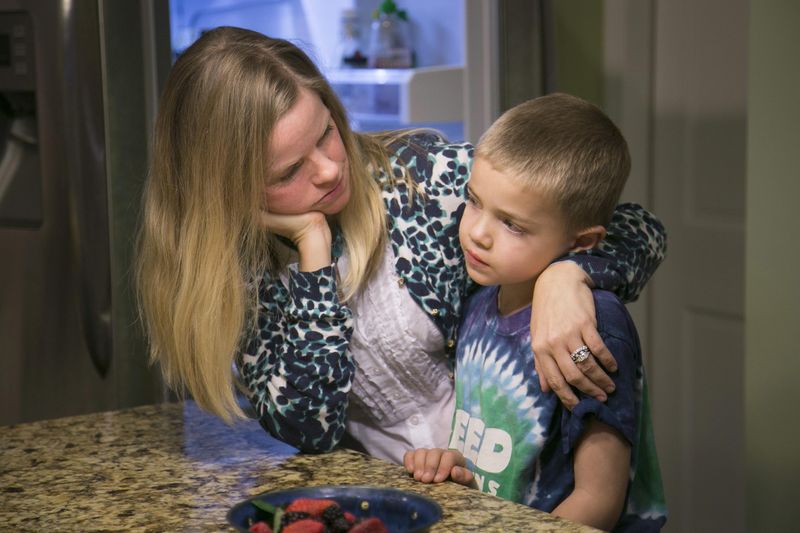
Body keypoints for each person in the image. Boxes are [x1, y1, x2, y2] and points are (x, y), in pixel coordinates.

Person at [135, 27, 666, 465]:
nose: (328, 169)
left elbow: (641, 229)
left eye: (324, 133)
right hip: (392, 504)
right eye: (290, 170)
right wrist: (313, 251)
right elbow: (309, 427)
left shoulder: (417, 178)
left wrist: (566, 274)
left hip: (520, 490)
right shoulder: (240, 280)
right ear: (225, 192)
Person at [403, 93, 667, 531]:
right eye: (474, 200)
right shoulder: (480, 301)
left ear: (582, 242)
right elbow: (504, 464)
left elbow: (599, 500)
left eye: (512, 224)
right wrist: (454, 468)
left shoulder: (593, 328)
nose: (477, 233)